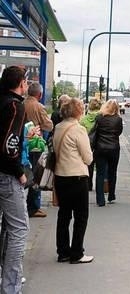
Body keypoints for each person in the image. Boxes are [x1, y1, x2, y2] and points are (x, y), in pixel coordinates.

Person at [0, 65, 30, 293]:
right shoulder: (15, 106)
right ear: (20, 84)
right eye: (26, 82)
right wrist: (20, 172)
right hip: (7, 176)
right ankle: (11, 287)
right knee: (18, 230)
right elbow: (10, 145)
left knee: (5, 229)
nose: (27, 86)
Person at [53, 97, 94, 264]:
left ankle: (63, 252)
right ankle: (77, 252)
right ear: (79, 111)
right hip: (77, 177)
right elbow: (88, 157)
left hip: (60, 176)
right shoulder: (79, 129)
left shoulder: (58, 127)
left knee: (64, 215)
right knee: (81, 216)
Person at [24, 82, 54, 218]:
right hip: (35, 144)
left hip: (23, 142)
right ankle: (34, 207)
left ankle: (24, 204)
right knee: (36, 174)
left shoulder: (21, 103)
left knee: (25, 172)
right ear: (40, 94)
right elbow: (49, 125)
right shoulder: (39, 106)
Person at [93, 99, 123, 206]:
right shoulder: (118, 119)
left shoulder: (99, 118)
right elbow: (119, 132)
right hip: (114, 148)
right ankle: (111, 195)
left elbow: (95, 132)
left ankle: (100, 199)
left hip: (100, 148)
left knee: (100, 173)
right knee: (112, 172)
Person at [80, 98, 102, 191]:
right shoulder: (102, 118)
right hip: (99, 145)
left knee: (89, 166)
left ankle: (89, 185)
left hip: (88, 145)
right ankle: (100, 187)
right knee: (100, 167)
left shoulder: (83, 119)